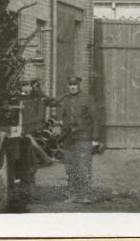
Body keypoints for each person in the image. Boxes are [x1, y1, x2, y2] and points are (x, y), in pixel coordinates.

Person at [50, 75, 100, 203]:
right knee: (70, 167)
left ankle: (84, 195)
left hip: (84, 136)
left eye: (75, 85)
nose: (72, 87)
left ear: (79, 85)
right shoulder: (64, 99)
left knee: (83, 167)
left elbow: (95, 119)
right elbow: (52, 106)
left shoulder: (88, 99)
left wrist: (95, 138)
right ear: (68, 86)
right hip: (68, 138)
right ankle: (72, 194)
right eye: (70, 85)